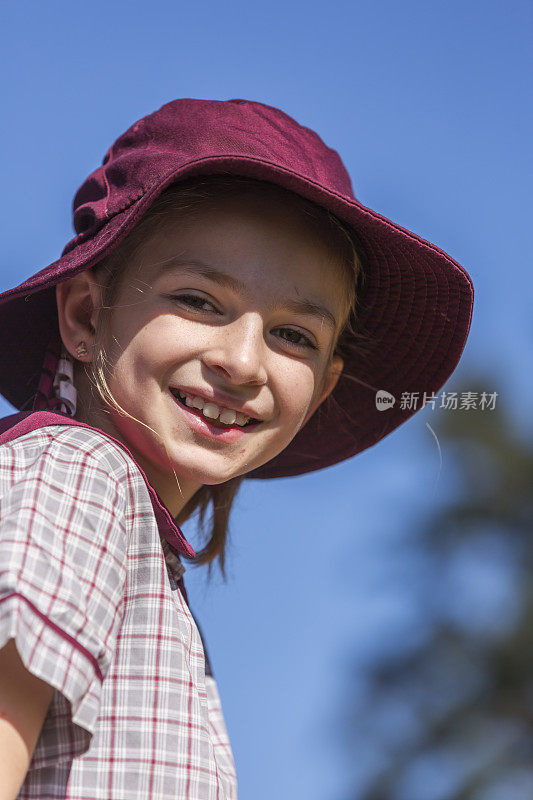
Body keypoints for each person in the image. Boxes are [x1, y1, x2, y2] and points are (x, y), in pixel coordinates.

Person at [0, 97, 474, 799]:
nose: (244, 362)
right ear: (85, 314)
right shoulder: (79, 477)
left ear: (320, 389)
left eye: (293, 336)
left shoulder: (135, 549)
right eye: (198, 299)